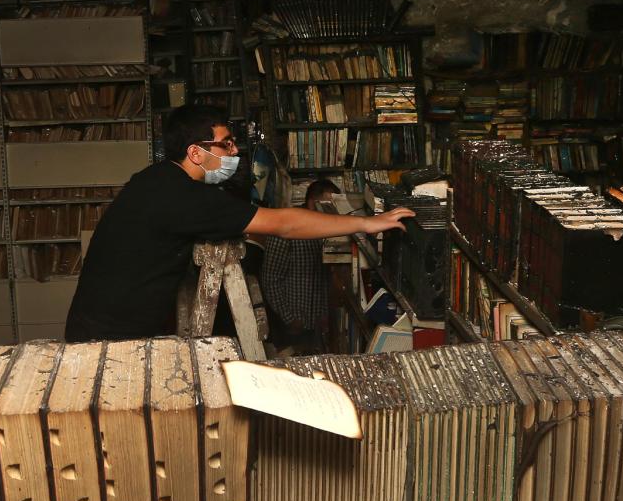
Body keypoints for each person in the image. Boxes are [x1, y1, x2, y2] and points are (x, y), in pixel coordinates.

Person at [65, 105, 414, 342]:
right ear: (196, 153)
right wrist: (366, 224)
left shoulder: (157, 177)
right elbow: (285, 225)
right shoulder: (187, 198)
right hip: (110, 336)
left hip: (94, 320)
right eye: (225, 144)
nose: (234, 152)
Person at [260, 178, 339, 354]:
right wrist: (290, 318)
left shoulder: (327, 229)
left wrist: (324, 315)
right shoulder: (288, 230)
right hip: (293, 322)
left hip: (318, 323)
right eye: (327, 206)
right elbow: (271, 279)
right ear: (312, 203)